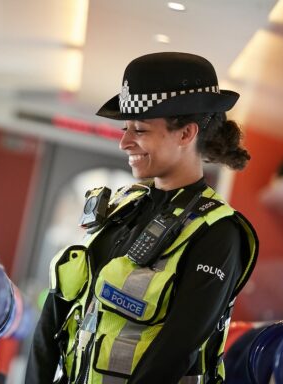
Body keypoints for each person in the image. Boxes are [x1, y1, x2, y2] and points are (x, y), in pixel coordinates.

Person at [25, 52, 259, 384]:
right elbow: (54, 316)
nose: (124, 142)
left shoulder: (218, 233)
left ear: (185, 134)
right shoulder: (122, 207)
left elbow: (175, 352)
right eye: (125, 128)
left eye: (139, 129)